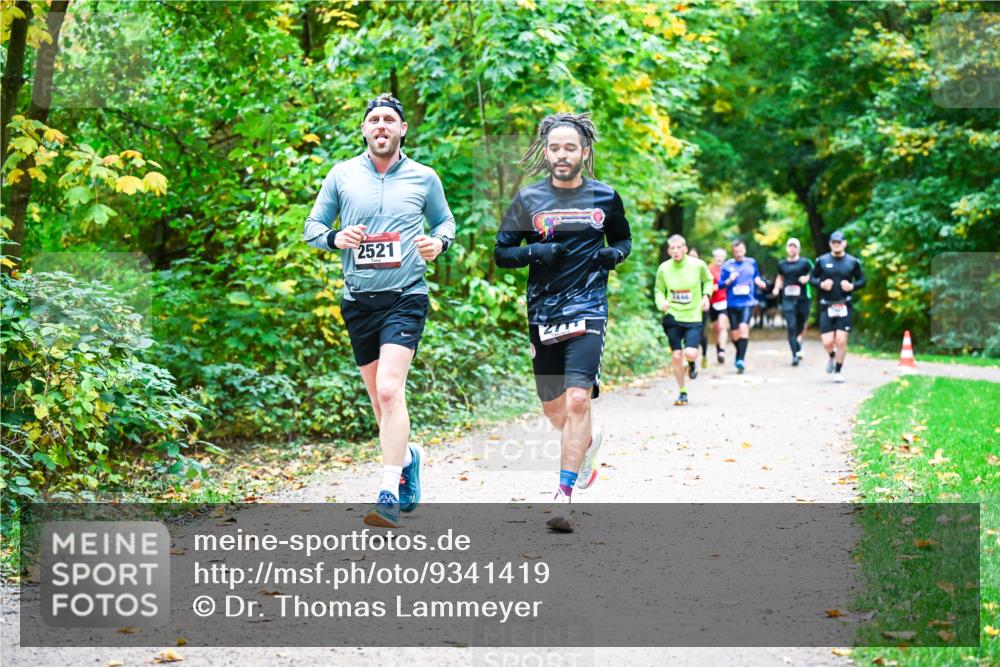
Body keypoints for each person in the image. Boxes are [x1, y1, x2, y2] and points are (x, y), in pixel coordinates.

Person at [303, 93, 456, 528]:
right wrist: (336, 238)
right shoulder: (342, 175)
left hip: (406, 295)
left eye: (390, 119)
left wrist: (437, 243)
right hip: (358, 301)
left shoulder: (424, 178)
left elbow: (446, 223)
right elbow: (312, 228)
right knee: (379, 400)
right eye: (374, 120)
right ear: (365, 130)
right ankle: (408, 457)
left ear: (402, 129)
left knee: (391, 390)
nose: (382, 126)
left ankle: (388, 492)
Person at [494, 112, 631, 531]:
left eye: (570, 147)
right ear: (546, 152)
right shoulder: (528, 200)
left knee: (577, 401)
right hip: (543, 312)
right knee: (555, 410)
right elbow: (502, 254)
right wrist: (535, 253)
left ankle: (563, 496)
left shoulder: (605, 197)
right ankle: (586, 445)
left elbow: (623, 238)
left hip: (588, 308)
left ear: (584, 152)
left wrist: (615, 255)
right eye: (555, 147)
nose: (562, 154)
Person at [656, 236, 713, 405]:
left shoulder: (697, 265)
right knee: (676, 355)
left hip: (693, 315)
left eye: (678, 247)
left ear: (685, 249)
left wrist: (706, 296)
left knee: (690, 352)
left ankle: (692, 363)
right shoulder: (664, 269)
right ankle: (682, 391)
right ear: (668, 251)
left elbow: (709, 280)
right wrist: (661, 303)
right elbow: (658, 290)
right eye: (672, 248)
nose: (675, 251)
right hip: (673, 316)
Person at [811, 230, 865, 383]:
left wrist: (852, 286)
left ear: (844, 243)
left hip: (844, 304)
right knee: (827, 342)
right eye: (834, 242)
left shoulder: (853, 262)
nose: (836, 245)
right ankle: (831, 356)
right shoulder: (821, 260)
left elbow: (862, 281)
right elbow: (812, 279)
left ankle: (838, 370)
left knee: (841, 340)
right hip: (826, 305)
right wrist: (821, 284)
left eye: (839, 242)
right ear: (830, 244)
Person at [719, 239, 767, 374]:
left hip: (747, 302)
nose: (738, 254)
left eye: (740, 251)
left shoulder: (751, 263)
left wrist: (760, 283)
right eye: (735, 252)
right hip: (732, 303)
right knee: (734, 335)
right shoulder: (727, 265)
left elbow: (756, 276)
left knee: (743, 328)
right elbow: (721, 284)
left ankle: (740, 359)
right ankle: (739, 354)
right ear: (732, 252)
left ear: (744, 250)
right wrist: (730, 279)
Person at [772, 238, 813, 366]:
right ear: (787, 248)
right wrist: (776, 288)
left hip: (803, 298)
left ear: (798, 249)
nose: (792, 249)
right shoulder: (782, 264)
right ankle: (794, 355)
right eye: (790, 246)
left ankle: (798, 342)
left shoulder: (805, 262)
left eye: (795, 246)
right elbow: (780, 277)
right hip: (788, 298)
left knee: (800, 324)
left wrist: (807, 278)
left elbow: (816, 273)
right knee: (791, 326)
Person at [687, 247, 711, 367]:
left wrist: (705, 298)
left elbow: (709, 283)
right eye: (690, 256)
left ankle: (705, 355)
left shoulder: (702, 270)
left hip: (701, 306)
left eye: (694, 256)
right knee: (688, 333)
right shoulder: (682, 270)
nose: (692, 259)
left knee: (700, 333)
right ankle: (692, 361)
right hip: (686, 308)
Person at [707, 248, 730, 364]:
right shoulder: (709, 270)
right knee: (715, 329)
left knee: (722, 327)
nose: (719, 258)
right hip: (713, 302)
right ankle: (718, 349)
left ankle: (722, 351)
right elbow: (709, 287)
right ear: (714, 258)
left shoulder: (728, 270)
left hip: (725, 302)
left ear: (724, 258)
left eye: (721, 256)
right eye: (717, 256)